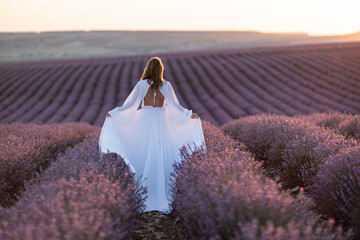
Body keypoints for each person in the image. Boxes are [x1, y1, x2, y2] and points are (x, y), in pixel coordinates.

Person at [99, 56, 206, 214]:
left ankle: (144, 193)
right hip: (162, 121)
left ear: (148, 69)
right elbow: (175, 107)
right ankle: (160, 193)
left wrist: (115, 114)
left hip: (145, 121)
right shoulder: (167, 85)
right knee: (161, 155)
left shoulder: (141, 85)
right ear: (161, 70)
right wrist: (190, 116)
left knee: (145, 153)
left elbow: (130, 105)